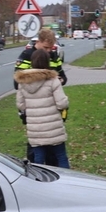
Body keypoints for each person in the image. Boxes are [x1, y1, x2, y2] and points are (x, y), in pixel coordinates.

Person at [15, 28, 67, 162]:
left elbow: (63, 76)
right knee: (36, 153)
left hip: (51, 111)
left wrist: (59, 80)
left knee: (52, 155)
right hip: (34, 113)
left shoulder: (54, 56)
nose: (49, 51)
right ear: (38, 41)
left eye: (51, 48)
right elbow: (17, 81)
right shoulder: (26, 55)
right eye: (46, 47)